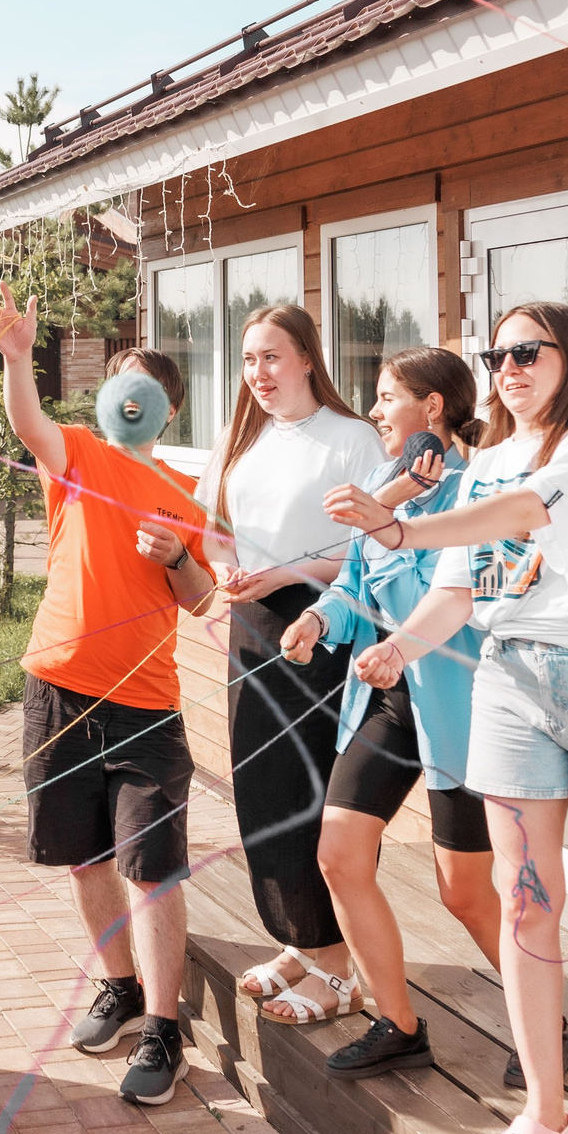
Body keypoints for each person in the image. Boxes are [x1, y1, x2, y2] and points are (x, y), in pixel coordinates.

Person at [326, 303, 568, 1134]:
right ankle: (545, 1118)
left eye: (529, 351)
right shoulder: (486, 459)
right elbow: (462, 585)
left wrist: (399, 523)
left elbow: (523, 515)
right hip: (511, 682)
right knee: (526, 903)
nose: (509, 367)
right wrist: (401, 647)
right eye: (497, 354)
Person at [0, 284, 214, 1107]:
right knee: (82, 855)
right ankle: (116, 983)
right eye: (121, 381)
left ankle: (163, 1027)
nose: (131, 394)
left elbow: (202, 597)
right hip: (56, 690)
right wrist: (15, 357)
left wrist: (178, 554)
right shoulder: (75, 453)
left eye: (145, 385)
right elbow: (26, 423)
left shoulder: (184, 497)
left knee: (152, 867)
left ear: (166, 410)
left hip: (146, 705)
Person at [278, 345, 499, 1079]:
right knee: (339, 854)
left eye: (385, 396)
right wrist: (318, 620)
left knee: (463, 892)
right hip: (384, 701)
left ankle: (545, 1021)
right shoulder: (383, 480)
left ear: (432, 407)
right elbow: (354, 584)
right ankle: (398, 1022)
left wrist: (399, 642)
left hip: (457, 711)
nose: (373, 411)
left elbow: (451, 598)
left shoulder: (476, 492)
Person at [193, 303, 383, 1029]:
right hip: (253, 620)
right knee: (262, 792)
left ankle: (338, 969)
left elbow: (373, 549)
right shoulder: (244, 438)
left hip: (321, 625)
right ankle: (302, 939)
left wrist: (281, 575)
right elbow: (208, 526)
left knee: (306, 790)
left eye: (272, 357)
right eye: (248, 360)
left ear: (307, 357)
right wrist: (231, 566)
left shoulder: (352, 438)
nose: (258, 374)